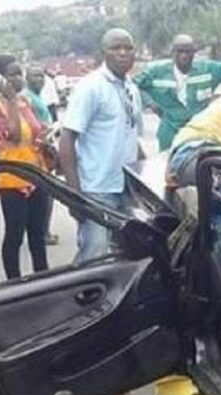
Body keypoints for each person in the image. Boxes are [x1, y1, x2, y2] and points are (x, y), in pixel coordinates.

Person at [60, 28, 144, 265]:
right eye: (116, 48)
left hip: (126, 188)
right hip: (96, 190)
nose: (123, 53)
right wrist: (74, 195)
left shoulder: (131, 87)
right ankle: (81, 289)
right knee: (94, 256)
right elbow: (67, 138)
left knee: (126, 256)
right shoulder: (92, 87)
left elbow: (131, 136)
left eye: (128, 48)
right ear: (103, 53)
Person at [0, 55, 51, 281]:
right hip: (12, 178)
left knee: (37, 233)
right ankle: (14, 282)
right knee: (15, 234)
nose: (18, 79)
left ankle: (43, 279)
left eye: (19, 74)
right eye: (12, 74)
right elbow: (12, 134)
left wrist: (45, 135)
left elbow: (35, 130)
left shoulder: (26, 102)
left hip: (35, 173)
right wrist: (11, 102)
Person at [133, 34, 221, 151]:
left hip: (199, 133)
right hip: (170, 134)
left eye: (188, 52)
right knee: (169, 164)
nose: (184, 56)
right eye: (180, 51)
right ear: (172, 53)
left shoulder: (208, 70)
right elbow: (134, 83)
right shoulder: (157, 72)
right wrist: (151, 104)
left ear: (194, 53)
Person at [23, 63, 60, 247]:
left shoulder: (37, 97)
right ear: (27, 78)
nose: (39, 79)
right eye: (34, 76)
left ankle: (42, 230)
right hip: (37, 153)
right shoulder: (27, 98)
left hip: (43, 152)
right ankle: (42, 232)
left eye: (41, 76)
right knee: (43, 194)